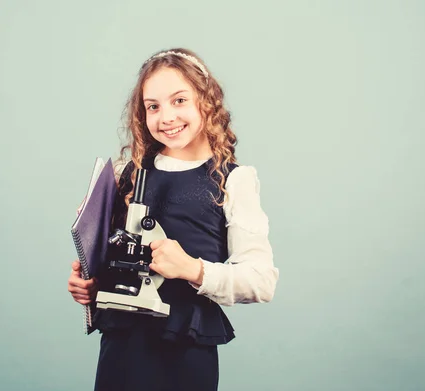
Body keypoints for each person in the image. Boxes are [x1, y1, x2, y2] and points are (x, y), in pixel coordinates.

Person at [67, 48, 279, 391]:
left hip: (183, 350)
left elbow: (261, 281)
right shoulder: (126, 174)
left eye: (179, 101)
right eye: (153, 106)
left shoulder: (233, 180)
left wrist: (191, 268)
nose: (166, 116)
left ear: (206, 102)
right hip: (121, 346)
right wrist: (90, 285)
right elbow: (109, 261)